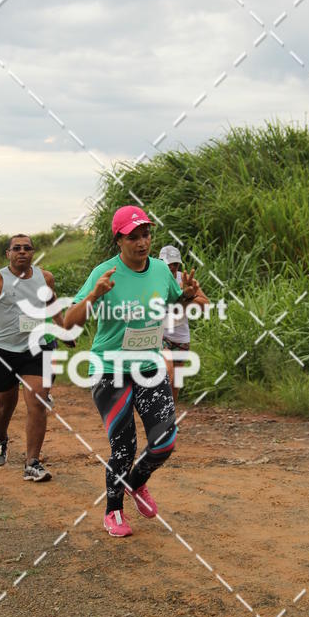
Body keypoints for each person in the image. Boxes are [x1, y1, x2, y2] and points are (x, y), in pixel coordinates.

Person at [64, 205, 202, 538]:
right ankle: (113, 511)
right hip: (109, 369)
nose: (142, 243)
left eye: (146, 235)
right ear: (118, 241)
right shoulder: (104, 273)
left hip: (149, 366)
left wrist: (185, 296)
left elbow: (172, 310)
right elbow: (69, 323)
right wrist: (93, 296)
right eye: (133, 237)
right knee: (124, 447)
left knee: (165, 441)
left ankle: (136, 483)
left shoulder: (159, 270)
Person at [0, 234, 68, 479]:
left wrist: (63, 330)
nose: (22, 252)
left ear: (33, 252)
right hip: (3, 352)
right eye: (16, 248)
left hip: (35, 349)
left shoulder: (45, 278)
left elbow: (52, 305)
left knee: (38, 402)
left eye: (27, 248)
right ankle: (1, 436)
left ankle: (32, 463)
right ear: (7, 253)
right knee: (4, 407)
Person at [159, 245, 209, 406]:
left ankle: (169, 419)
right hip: (161, 335)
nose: (172, 267)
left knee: (176, 384)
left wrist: (187, 298)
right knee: (169, 374)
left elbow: (205, 304)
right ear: (160, 263)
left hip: (181, 337)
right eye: (168, 264)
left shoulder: (184, 279)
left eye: (175, 264)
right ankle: (157, 410)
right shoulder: (154, 279)